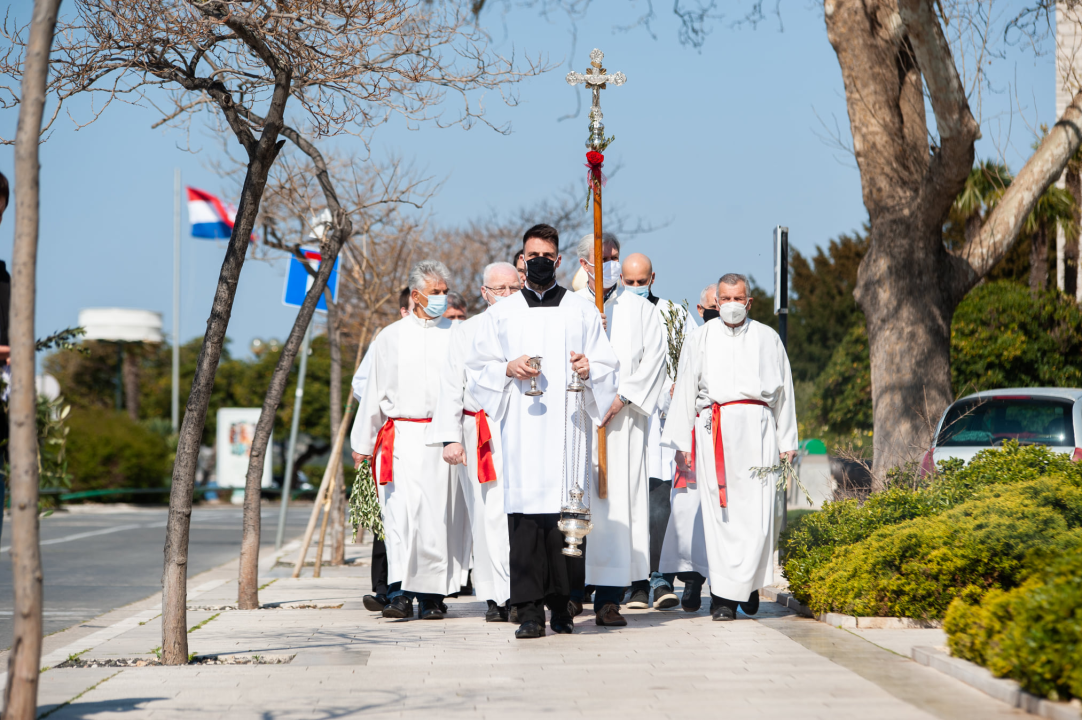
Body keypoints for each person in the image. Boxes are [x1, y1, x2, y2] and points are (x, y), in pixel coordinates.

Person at [465, 223, 619, 639]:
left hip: (568, 427)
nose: (538, 263)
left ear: (558, 260)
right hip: (521, 430)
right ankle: (529, 610)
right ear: (521, 261)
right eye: (531, 256)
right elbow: (477, 369)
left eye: (546, 256)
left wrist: (590, 369)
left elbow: (606, 364)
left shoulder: (581, 310)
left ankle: (564, 606)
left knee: (563, 518)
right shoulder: (501, 314)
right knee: (526, 523)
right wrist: (505, 368)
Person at [662, 273, 798, 621]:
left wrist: (788, 441)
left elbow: (784, 394)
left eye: (739, 298)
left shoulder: (768, 338)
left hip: (759, 430)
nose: (732, 305)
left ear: (748, 302)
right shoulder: (700, 338)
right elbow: (686, 391)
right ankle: (722, 598)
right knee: (720, 513)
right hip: (715, 430)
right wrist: (681, 443)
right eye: (726, 298)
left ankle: (749, 585)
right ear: (717, 302)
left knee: (757, 513)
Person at [352, 261, 471, 621]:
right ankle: (401, 592)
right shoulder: (389, 336)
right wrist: (363, 443)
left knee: (437, 519)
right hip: (401, 437)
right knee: (401, 517)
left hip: (443, 435)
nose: (442, 297)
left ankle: (433, 596)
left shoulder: (457, 334)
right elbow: (372, 392)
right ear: (416, 295)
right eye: (435, 292)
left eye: (444, 291)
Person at [575, 236, 666, 626]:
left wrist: (621, 398)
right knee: (581, 506)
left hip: (624, 424)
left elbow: (654, 360)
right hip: (581, 423)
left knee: (619, 506)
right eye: (603, 259)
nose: (611, 264)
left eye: (614, 257)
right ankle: (572, 593)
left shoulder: (641, 310)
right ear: (585, 264)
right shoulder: (570, 306)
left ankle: (610, 599)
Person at [429, 262, 521, 622]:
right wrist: (451, 439)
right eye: (500, 289)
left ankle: (522, 591)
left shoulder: (532, 324)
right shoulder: (467, 331)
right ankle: (496, 596)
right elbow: (452, 386)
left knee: (519, 513)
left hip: (521, 430)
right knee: (486, 515)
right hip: (480, 429)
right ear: (485, 293)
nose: (508, 295)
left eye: (514, 288)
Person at [621, 252, 694, 610]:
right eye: (629, 282)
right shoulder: (612, 312)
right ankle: (631, 580)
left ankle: (659, 577)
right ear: (620, 279)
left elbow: (691, 363)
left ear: (653, 278)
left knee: (659, 501)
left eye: (641, 281)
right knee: (628, 501)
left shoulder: (674, 314)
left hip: (662, 422)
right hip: (627, 418)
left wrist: (677, 389)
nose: (635, 288)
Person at [351, 287, 412, 612]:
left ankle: (422, 592)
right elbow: (363, 384)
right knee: (388, 516)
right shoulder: (385, 340)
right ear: (404, 309)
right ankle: (385, 587)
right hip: (391, 433)